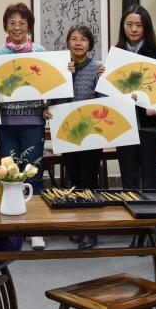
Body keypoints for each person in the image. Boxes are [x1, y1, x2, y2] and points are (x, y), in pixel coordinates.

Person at [0, 3, 47, 251]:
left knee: (33, 174)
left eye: (22, 23)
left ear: (29, 25)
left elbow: (51, 85)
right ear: (5, 26)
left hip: (33, 122)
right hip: (6, 123)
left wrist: (48, 105)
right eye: (12, 23)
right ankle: (12, 226)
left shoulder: (40, 52)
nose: (17, 27)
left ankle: (36, 228)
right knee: (9, 174)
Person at [44, 25, 103, 249]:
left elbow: (105, 100)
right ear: (68, 42)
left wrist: (104, 79)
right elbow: (51, 97)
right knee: (75, 179)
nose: (78, 43)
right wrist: (46, 108)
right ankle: (80, 224)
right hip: (66, 132)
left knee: (89, 180)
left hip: (91, 133)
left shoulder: (97, 68)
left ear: (90, 44)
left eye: (83, 39)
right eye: (74, 39)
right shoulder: (60, 68)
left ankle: (91, 229)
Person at [113, 6, 156, 190]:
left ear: (147, 27)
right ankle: (130, 206)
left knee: (151, 175)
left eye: (139, 25)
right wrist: (103, 76)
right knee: (128, 174)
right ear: (123, 26)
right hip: (124, 124)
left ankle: (153, 207)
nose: (134, 29)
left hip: (149, 124)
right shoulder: (116, 54)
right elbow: (110, 90)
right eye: (129, 24)